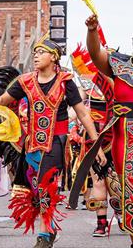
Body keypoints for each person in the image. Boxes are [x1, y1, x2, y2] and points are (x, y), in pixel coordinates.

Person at [0, 38, 106, 248]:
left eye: (41, 52)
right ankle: (50, 229)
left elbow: (82, 114)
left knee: (45, 186)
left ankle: (43, 237)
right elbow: (4, 99)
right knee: (36, 189)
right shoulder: (25, 81)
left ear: (53, 57)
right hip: (32, 145)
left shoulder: (65, 81)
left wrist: (95, 143)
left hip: (56, 143)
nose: (36, 55)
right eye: (35, 52)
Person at [85, 14, 133, 246]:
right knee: (128, 192)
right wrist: (93, 32)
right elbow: (96, 55)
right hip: (125, 141)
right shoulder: (120, 64)